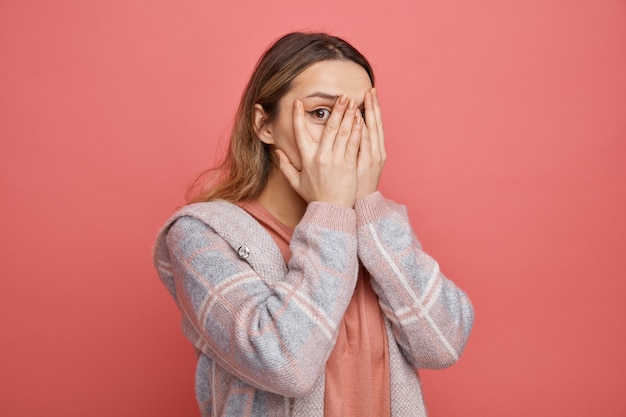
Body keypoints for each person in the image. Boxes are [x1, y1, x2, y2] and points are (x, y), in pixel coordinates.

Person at [153, 31, 474, 417]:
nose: (346, 133)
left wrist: (367, 205)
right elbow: (283, 363)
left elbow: (442, 344)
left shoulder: (375, 228)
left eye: (360, 115)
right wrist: (330, 211)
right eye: (321, 113)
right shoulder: (201, 234)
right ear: (264, 126)